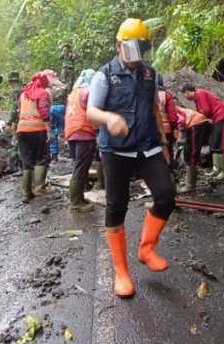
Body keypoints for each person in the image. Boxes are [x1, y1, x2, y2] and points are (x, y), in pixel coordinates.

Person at [86, 18, 175, 299]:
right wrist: (109, 118)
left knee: (166, 194)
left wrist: (163, 141)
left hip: (147, 145)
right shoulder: (104, 75)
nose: (137, 55)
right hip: (115, 150)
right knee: (117, 206)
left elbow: (153, 108)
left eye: (141, 49)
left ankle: (147, 248)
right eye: (132, 48)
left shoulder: (150, 74)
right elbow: (91, 112)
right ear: (119, 45)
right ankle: (121, 271)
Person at [181, 83, 224, 181]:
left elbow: (206, 110)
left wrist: (200, 118)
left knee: (220, 143)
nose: (186, 98)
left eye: (185, 95)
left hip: (222, 116)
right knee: (214, 143)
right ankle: (216, 169)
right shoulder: (197, 98)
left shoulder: (199, 93)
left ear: (187, 92)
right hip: (216, 119)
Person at [64, 69, 98, 212]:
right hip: (83, 131)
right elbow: (93, 112)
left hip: (72, 131)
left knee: (78, 166)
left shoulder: (74, 93)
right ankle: (76, 202)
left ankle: (80, 197)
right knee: (81, 167)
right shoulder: (88, 92)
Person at [16, 72, 52, 201]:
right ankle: (39, 188)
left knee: (27, 160)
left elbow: (19, 111)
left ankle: (26, 193)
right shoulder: (42, 93)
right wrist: (48, 129)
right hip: (37, 129)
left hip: (22, 129)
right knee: (41, 157)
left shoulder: (23, 94)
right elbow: (44, 111)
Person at [175, 107, 211, 194]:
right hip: (197, 122)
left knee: (191, 152)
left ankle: (190, 186)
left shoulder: (169, 108)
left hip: (196, 123)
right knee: (190, 151)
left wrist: (181, 135)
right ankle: (190, 182)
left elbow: (181, 119)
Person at [156, 75, 180, 168]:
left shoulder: (144, 93)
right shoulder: (166, 95)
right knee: (168, 150)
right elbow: (173, 117)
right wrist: (174, 128)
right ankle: (170, 173)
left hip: (150, 130)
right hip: (166, 130)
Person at [47, 70, 67, 160]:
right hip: (62, 107)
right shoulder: (63, 86)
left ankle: (54, 153)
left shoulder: (49, 86)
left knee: (53, 130)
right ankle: (67, 150)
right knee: (63, 130)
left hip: (52, 108)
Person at [5, 71, 22, 175]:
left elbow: (14, 107)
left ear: (11, 81)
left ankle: (17, 167)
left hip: (18, 119)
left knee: (16, 142)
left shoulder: (14, 90)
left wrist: (10, 121)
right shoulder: (24, 88)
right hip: (26, 118)